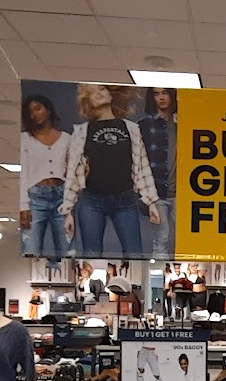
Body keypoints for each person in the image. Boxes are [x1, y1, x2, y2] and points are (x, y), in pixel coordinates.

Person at [64, 84, 160, 257]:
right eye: (92, 93)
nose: (98, 94)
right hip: (92, 200)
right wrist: (68, 210)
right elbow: (73, 172)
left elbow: (142, 166)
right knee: (91, 254)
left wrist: (151, 202)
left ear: (110, 94)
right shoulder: (81, 132)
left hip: (125, 199)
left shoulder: (131, 128)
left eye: (101, 89)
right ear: (88, 101)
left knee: (134, 253)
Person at [18, 92, 71, 262]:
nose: (34, 114)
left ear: (48, 110)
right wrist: (23, 206)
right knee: (30, 248)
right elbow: (23, 172)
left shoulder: (66, 139)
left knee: (67, 250)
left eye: (38, 109)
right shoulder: (25, 139)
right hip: (35, 197)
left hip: (62, 198)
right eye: (30, 112)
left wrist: (71, 205)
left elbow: (72, 172)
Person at [138, 85, 179, 257]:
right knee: (161, 240)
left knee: (183, 242)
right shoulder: (145, 126)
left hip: (182, 192)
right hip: (156, 193)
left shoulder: (185, 124)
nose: (161, 98)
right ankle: (160, 274)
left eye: (165, 93)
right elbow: (139, 162)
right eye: (156, 94)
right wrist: (145, 197)